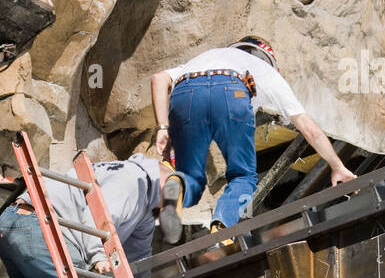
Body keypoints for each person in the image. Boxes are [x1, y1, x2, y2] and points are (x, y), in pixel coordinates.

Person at [150, 36, 356, 236]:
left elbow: (158, 79)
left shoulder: (206, 57)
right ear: (269, 61)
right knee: (243, 176)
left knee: (185, 169)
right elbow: (310, 129)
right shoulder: (266, 72)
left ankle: (174, 185)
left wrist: (162, 126)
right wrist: (337, 167)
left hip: (186, 93)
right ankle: (221, 228)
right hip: (233, 90)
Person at [0, 154, 182, 278]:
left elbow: (139, 255)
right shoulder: (134, 182)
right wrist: (98, 256)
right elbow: (96, 215)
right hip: (38, 228)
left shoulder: (144, 206)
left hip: (18, 224)